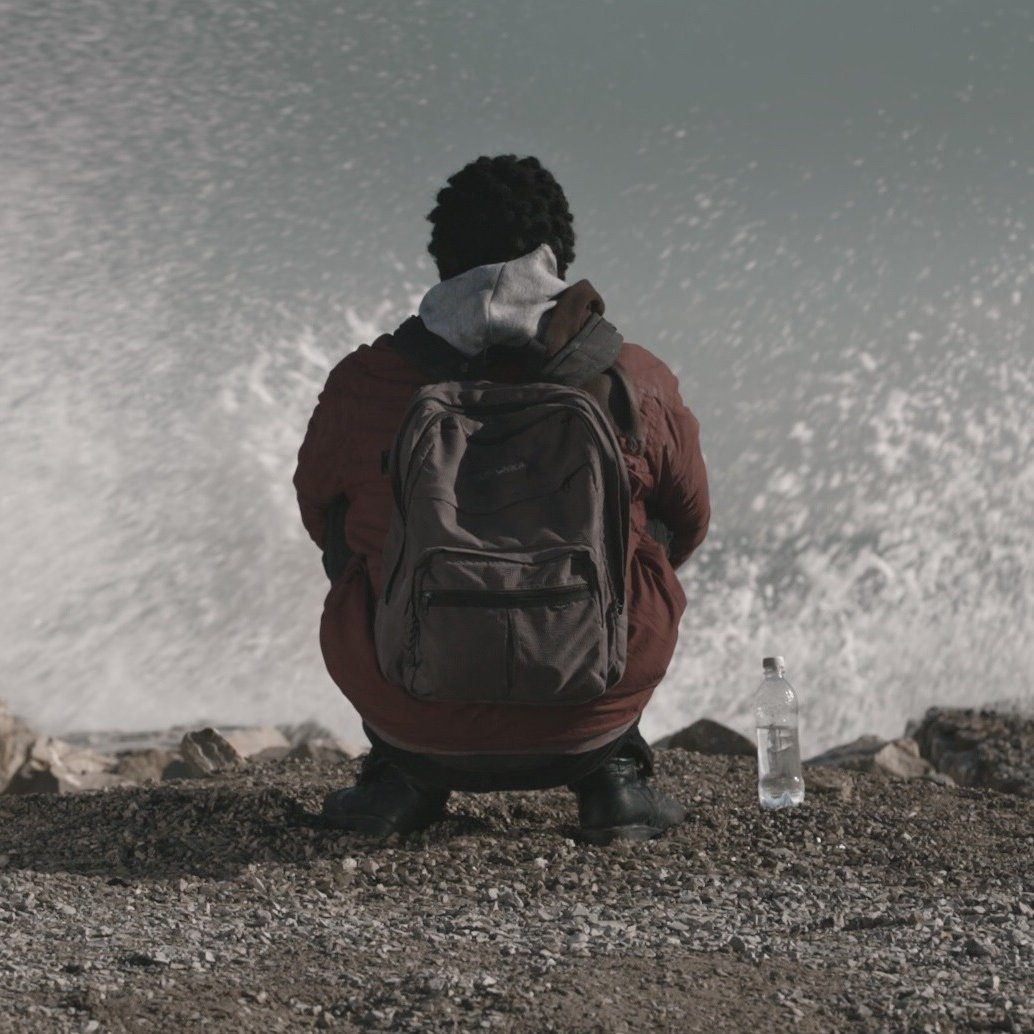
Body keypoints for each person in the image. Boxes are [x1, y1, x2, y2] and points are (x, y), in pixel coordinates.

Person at [294, 155, 709, 843]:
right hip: (592, 713)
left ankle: (399, 776)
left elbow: (320, 520)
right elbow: (690, 524)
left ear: (442, 262)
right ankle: (614, 776)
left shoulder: (364, 381)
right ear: (559, 256)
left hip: (408, 711)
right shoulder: (634, 378)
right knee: (651, 530)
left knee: (353, 531)